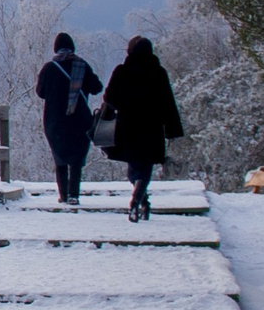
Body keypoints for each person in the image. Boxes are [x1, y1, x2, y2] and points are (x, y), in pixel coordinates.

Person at [99, 35, 185, 221]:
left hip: (128, 127)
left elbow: (109, 98)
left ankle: (138, 201)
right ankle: (140, 202)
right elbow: (168, 102)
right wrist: (172, 129)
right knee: (145, 168)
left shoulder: (122, 71)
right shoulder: (158, 72)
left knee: (133, 169)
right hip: (152, 128)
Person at [34, 32, 99, 205]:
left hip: (55, 121)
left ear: (56, 48)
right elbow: (96, 87)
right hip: (79, 121)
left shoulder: (49, 68)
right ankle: (73, 195)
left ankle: (63, 195)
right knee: (76, 160)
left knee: (60, 159)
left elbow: (40, 92)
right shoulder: (81, 65)